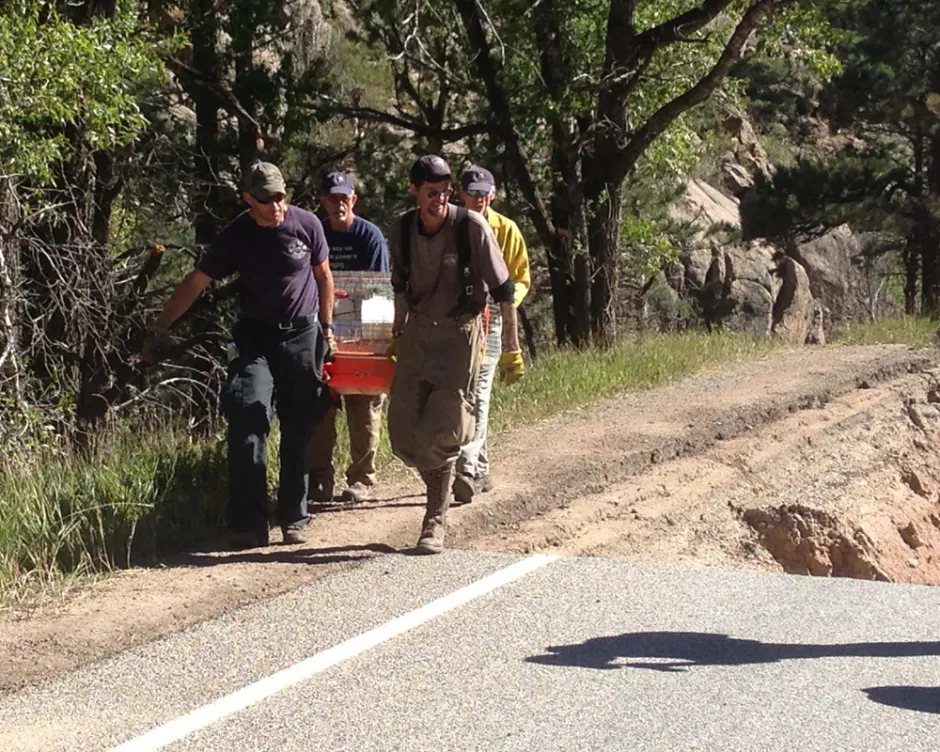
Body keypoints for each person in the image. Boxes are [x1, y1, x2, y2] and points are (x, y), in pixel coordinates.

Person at [142, 161, 335, 549]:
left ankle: (294, 515)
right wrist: (161, 327)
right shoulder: (236, 236)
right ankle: (250, 523)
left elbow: (324, 276)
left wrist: (328, 331)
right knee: (247, 417)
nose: (277, 206)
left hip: (302, 334)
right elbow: (196, 281)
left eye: (281, 197)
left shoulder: (307, 224)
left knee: (299, 426)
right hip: (256, 339)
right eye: (267, 200)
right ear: (249, 199)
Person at [387, 155, 521, 554]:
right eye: (432, 192)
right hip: (416, 333)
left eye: (445, 192)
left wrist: (511, 348)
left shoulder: (471, 226)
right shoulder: (401, 229)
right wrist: (396, 333)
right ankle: (439, 486)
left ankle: (435, 520)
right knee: (404, 438)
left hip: (460, 335)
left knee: (443, 426)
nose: (440, 199)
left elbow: (504, 290)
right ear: (414, 190)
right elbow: (398, 286)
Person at [308, 171, 390, 504]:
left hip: (361, 329)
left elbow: (379, 289)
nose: (338, 204)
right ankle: (319, 480)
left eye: (344, 198)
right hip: (319, 330)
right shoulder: (315, 231)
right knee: (318, 405)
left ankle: (362, 480)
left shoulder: (369, 236)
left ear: (353, 200)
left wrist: (378, 343)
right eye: (332, 198)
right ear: (323, 201)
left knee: (363, 404)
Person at [453, 165, 530, 504]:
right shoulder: (450, 226)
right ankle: (481, 468)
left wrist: (504, 304)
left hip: (493, 321)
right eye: (473, 192)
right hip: (456, 321)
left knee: (479, 392)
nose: (479, 198)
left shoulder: (507, 230)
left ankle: (466, 468)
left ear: (493, 195)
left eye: (484, 193)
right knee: (460, 391)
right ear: (461, 194)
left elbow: (522, 278)